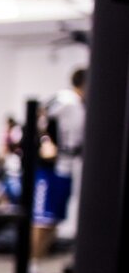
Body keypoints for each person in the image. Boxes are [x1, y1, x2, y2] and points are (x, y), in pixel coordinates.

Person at [32, 67, 86, 260]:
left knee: (54, 219)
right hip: (50, 168)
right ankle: (29, 270)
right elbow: (39, 114)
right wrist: (47, 142)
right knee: (42, 220)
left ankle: (37, 266)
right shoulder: (65, 99)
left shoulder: (82, 105)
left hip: (67, 167)